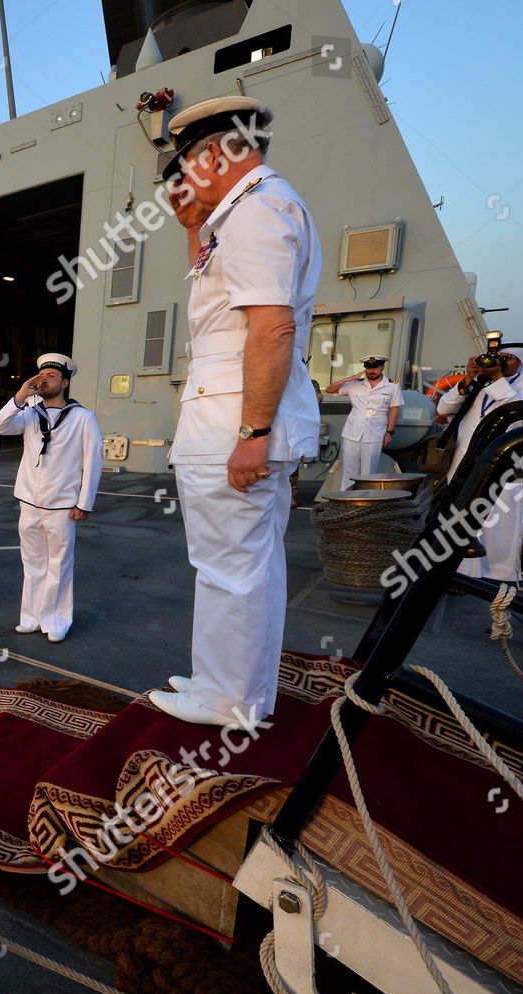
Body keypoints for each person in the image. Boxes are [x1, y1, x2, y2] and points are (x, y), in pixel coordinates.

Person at [152, 96, 321, 727]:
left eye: (189, 166)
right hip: (227, 414)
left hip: (233, 421)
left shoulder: (255, 212)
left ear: (216, 153)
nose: (185, 180)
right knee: (240, 563)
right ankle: (227, 685)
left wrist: (253, 434)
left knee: (230, 566)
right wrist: (194, 226)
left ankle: (229, 702)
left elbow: (271, 329)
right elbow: (221, 303)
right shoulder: (242, 215)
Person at [0, 354, 103, 643]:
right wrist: (20, 395)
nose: (44, 379)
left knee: (59, 565)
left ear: (65, 382)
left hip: (62, 504)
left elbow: (93, 462)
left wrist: (84, 503)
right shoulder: (29, 411)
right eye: (40, 374)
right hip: (29, 500)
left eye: (51, 375)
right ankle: (31, 616)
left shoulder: (82, 418)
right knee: (32, 562)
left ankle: (56, 620)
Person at [435, 343, 523, 581]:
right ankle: (462, 573)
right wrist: (468, 380)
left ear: (521, 362)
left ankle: (497, 573)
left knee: (499, 519)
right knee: (461, 514)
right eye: (500, 358)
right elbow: (444, 407)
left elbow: (517, 415)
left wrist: (496, 377)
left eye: (509, 358)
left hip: (504, 460)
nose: (503, 362)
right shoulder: (479, 382)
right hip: (465, 457)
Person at [327, 355, 401, 490]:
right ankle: (346, 499)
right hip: (352, 432)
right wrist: (349, 379)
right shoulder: (355, 384)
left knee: (368, 472)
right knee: (349, 470)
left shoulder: (392, 385)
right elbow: (330, 389)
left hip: (374, 433)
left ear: (382, 367)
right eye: (368, 368)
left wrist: (389, 432)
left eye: (375, 367)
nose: (371, 371)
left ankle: (365, 500)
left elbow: (394, 410)